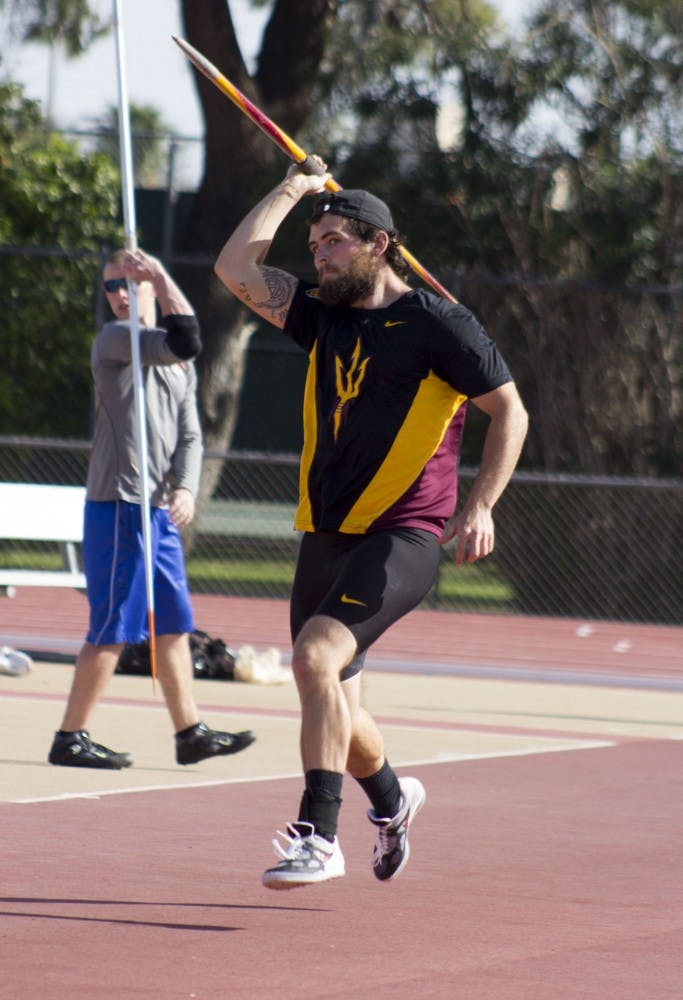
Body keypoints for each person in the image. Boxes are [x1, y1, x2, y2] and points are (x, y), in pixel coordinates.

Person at [214, 161, 528, 889]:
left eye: (331, 243)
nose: (318, 256)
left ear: (377, 244)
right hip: (325, 531)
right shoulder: (319, 312)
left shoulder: (438, 323)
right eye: (315, 244)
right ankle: (391, 802)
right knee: (336, 702)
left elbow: (508, 410)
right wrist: (295, 186)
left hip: (404, 532)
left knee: (314, 661)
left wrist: (480, 505)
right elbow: (236, 266)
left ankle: (317, 837)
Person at [48, 248, 256, 770]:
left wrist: (185, 488)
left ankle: (190, 733)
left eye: (128, 282)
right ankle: (70, 737)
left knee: (172, 626)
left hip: (157, 513)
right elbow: (187, 336)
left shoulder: (175, 364)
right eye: (112, 285)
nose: (119, 292)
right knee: (114, 626)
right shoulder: (116, 341)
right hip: (120, 506)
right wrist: (159, 276)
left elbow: (191, 434)